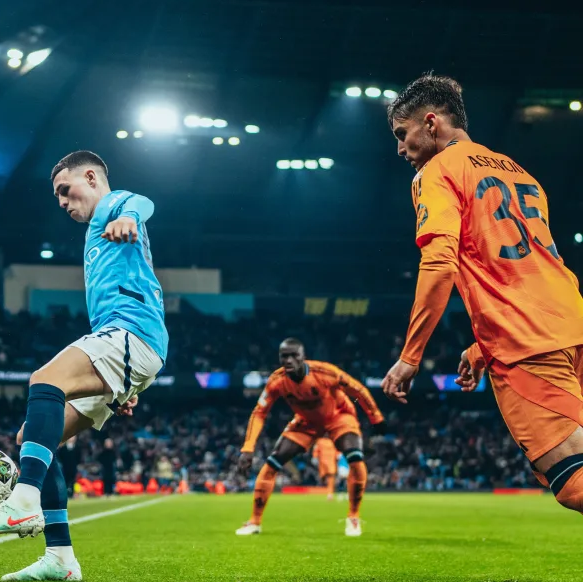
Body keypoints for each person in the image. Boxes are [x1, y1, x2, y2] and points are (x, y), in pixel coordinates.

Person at [0, 150, 168, 582]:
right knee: (32, 437)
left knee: (44, 380)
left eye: (65, 192)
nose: (64, 203)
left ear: (91, 177)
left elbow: (141, 202)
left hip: (132, 333)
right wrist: (119, 387)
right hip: (127, 345)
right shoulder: (97, 229)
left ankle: (24, 499)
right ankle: (60, 558)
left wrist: (128, 217)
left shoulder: (114, 207)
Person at [381, 74, 583, 512]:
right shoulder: (519, 171)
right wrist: (480, 347)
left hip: (528, 343)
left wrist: (410, 356)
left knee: (574, 483)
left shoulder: (436, 172)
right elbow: (526, 269)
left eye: (403, 134)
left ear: (430, 123)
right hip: (571, 324)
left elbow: (439, 264)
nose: (400, 149)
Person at [237, 338, 385, 537]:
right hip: (306, 422)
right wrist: (248, 448)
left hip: (339, 416)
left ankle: (353, 517)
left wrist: (376, 418)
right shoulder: (276, 381)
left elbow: (357, 389)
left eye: (293, 356)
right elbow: (259, 413)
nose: (288, 360)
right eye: (284, 356)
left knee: (355, 459)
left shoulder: (325, 372)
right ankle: (254, 522)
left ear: (303, 357)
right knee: (271, 464)